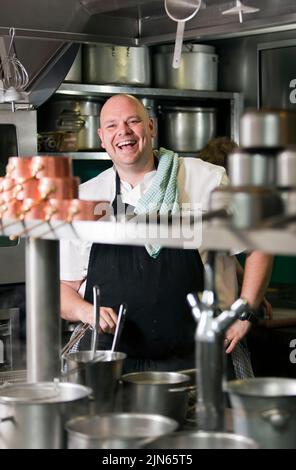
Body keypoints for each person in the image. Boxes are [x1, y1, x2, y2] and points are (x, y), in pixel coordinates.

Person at [60, 94, 273, 376]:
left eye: (132, 121)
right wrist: (87, 312)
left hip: (199, 361)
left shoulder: (204, 179)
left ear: (150, 127)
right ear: (101, 137)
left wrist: (246, 310)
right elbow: (64, 290)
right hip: (112, 363)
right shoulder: (86, 197)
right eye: (111, 126)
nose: (123, 132)